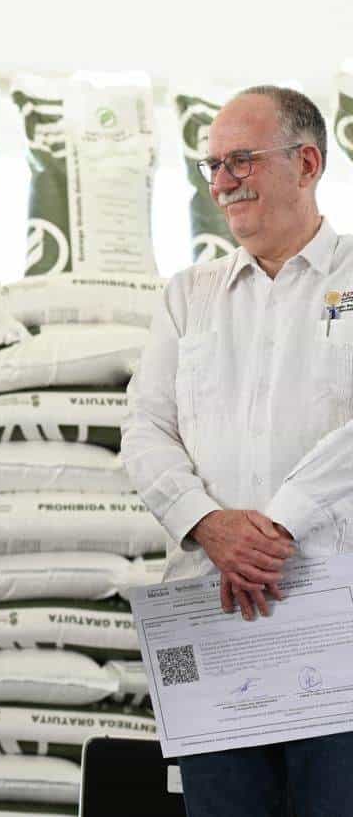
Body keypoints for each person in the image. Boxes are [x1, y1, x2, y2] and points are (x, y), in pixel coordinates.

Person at [122, 86, 353, 816]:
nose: (221, 182)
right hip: (217, 619)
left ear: (307, 162)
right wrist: (210, 525)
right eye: (211, 165)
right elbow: (143, 428)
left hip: (336, 628)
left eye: (240, 161)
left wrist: (279, 522)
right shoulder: (188, 296)